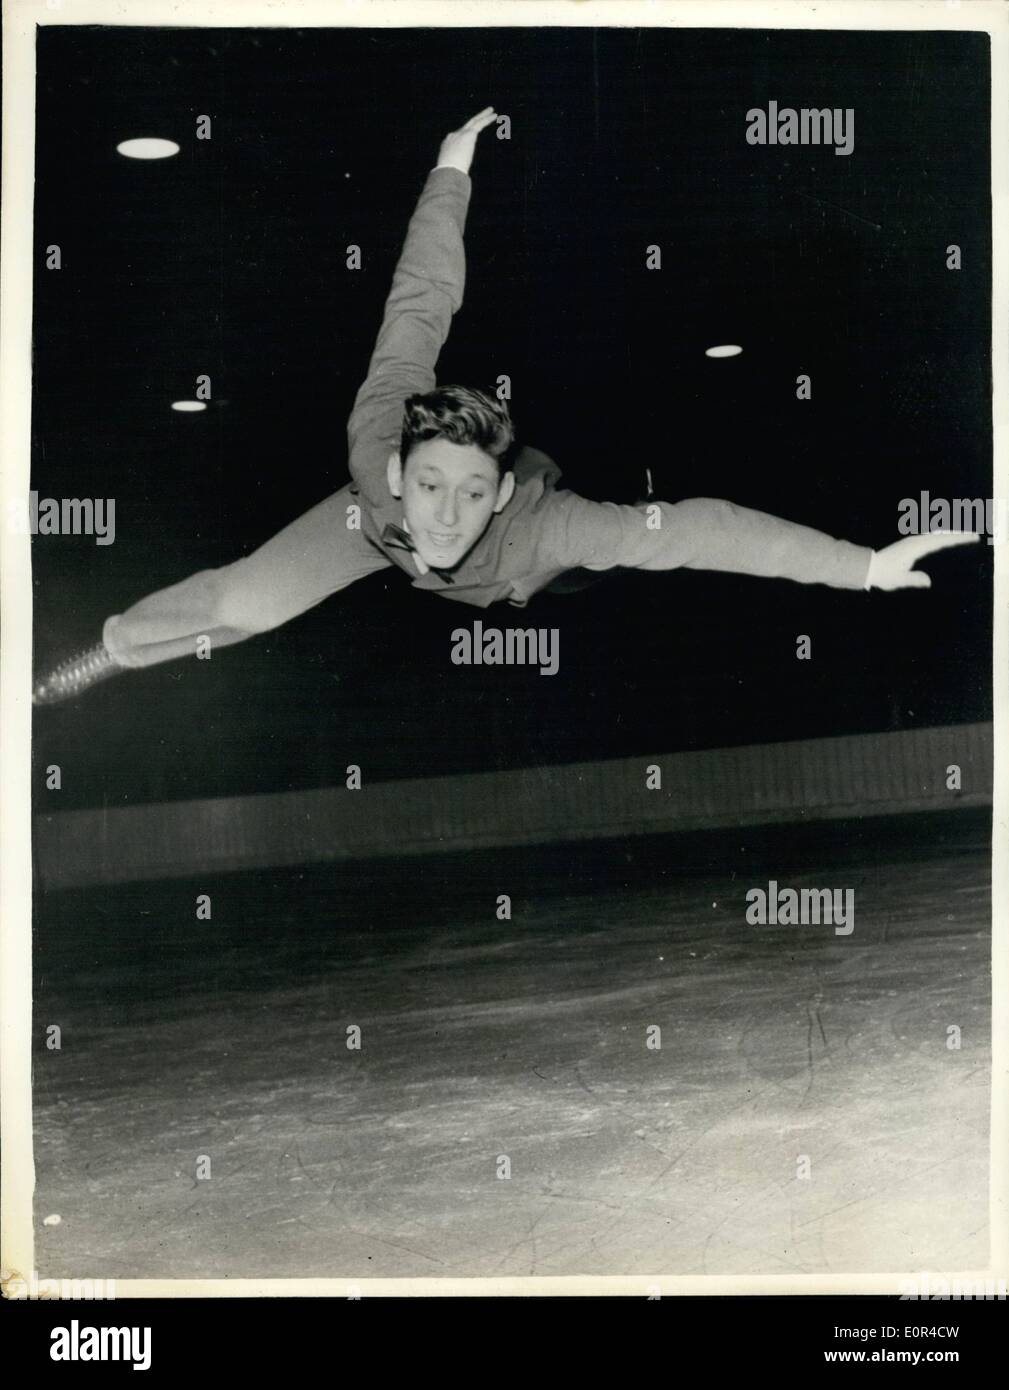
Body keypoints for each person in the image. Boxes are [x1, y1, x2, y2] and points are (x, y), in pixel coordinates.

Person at [33, 106, 977, 705]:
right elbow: (418, 298)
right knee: (248, 599)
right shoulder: (378, 447)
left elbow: (703, 530)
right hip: (367, 534)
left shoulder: (545, 524)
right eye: (431, 484)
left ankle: (559, 554)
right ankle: (103, 653)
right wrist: (450, 173)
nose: (444, 514)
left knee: (603, 564)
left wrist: (860, 566)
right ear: (401, 469)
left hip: (537, 570)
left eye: (468, 493)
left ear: (498, 493)